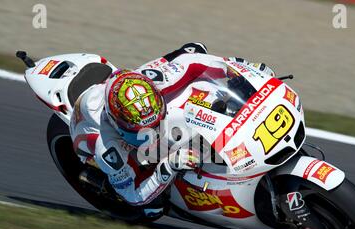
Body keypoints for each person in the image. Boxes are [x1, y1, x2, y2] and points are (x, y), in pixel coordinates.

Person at [69, 43, 275, 218]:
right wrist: (167, 167)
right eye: (147, 127)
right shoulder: (107, 147)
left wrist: (245, 69)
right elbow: (133, 195)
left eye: (155, 122)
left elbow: (199, 61)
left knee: (194, 48)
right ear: (118, 124)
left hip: (134, 90)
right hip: (88, 127)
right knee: (151, 207)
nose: (154, 130)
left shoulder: (160, 80)